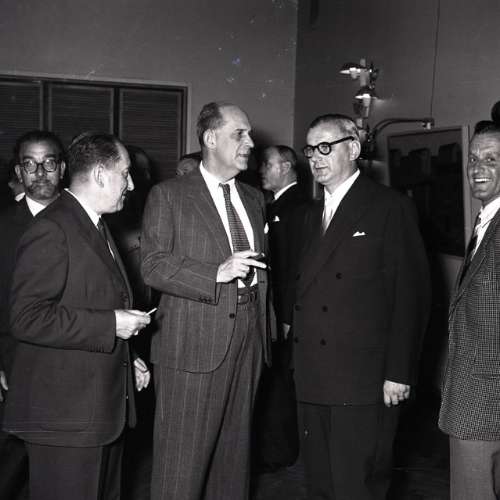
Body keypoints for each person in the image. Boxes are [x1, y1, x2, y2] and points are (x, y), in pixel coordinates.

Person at [284, 114, 430, 499]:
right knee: (319, 484)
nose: (315, 157)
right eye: (310, 149)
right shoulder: (307, 215)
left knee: (357, 486)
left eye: (325, 147)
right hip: (312, 376)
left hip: (364, 380)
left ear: (352, 148)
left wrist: (399, 372)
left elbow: (411, 295)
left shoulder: (388, 207)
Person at [2, 132, 152, 500]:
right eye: (125, 174)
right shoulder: (53, 228)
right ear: (100, 174)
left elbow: (88, 301)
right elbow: (27, 317)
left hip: (96, 412)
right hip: (65, 418)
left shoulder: (93, 223)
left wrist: (126, 355)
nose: (131, 185)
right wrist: (112, 325)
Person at [141, 101, 272, 500]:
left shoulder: (254, 197)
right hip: (192, 346)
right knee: (180, 467)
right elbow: (153, 265)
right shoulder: (169, 195)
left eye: (250, 134)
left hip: (248, 340)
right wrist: (215, 272)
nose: (251, 143)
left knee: (233, 463)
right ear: (211, 138)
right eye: (240, 134)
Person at [0, 130, 66, 500]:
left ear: (63, 169)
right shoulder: (3, 227)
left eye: (49, 163)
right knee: (12, 462)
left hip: (71, 364)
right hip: (16, 362)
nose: (40, 173)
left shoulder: (86, 221)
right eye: (30, 164)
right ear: (18, 172)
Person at [439, 123, 500, 499]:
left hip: (484, 400)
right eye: (473, 158)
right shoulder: (485, 221)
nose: (478, 168)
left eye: (491, 159)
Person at [253, 145, 308, 470]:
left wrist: (286, 316)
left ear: (286, 167)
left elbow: (293, 266)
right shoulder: (275, 205)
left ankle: (279, 451)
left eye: (268, 164)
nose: (262, 170)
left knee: (279, 384)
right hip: (273, 310)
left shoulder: (297, 206)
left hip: (283, 314)